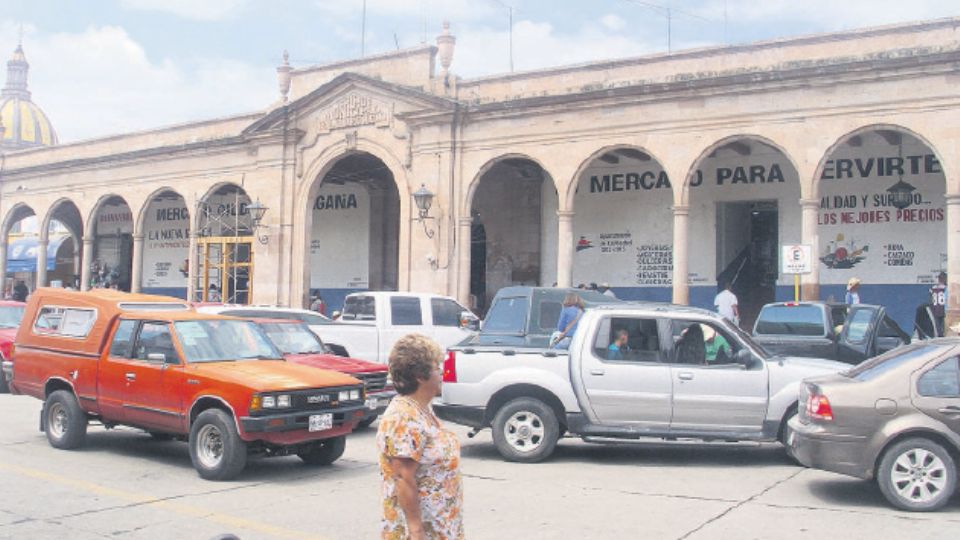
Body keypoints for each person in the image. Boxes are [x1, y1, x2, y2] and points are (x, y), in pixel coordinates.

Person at [377, 334, 463, 540]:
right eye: (436, 367)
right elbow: (402, 477)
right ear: (420, 376)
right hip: (421, 532)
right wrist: (416, 530)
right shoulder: (403, 418)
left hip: (441, 526)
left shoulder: (422, 410)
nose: (441, 372)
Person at [930, 272, 947, 336]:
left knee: (938, 328)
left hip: (935, 309)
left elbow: (931, 299)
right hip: (943, 309)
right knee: (943, 327)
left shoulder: (933, 288)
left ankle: (939, 335)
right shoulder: (945, 288)